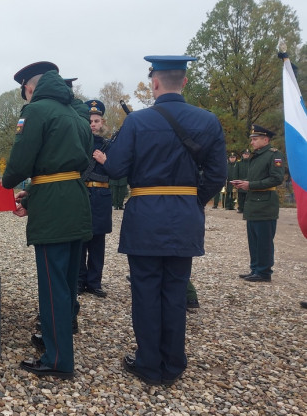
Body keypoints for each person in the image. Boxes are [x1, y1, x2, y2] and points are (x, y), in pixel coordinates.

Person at [102, 55, 226, 386]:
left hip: (145, 215)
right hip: (184, 215)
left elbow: (115, 170)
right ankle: (173, 362)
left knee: (145, 290)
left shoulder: (137, 122)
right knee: (174, 290)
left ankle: (148, 362)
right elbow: (217, 175)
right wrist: (192, 199)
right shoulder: (208, 121)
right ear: (183, 82)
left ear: (154, 83)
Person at [1, 61, 92, 380]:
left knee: (52, 287)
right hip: (75, 198)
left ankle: (57, 360)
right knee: (67, 282)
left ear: (29, 88)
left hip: (53, 207)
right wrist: (37, 192)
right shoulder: (76, 114)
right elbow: (77, 160)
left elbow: (21, 160)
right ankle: (60, 344)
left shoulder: (36, 111)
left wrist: (6, 186)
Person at [232, 124, 285, 282]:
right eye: (252, 139)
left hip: (265, 204)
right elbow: (256, 178)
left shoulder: (274, 155)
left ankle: (264, 272)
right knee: (254, 238)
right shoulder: (257, 156)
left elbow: (276, 178)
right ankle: (255, 268)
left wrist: (251, 185)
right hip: (254, 203)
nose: (252, 142)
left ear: (266, 139)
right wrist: (244, 182)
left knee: (264, 240)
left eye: (255, 139)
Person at [78, 100, 112, 298]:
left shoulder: (110, 145)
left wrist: (105, 161)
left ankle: (94, 282)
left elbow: (118, 172)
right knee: (81, 240)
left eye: (96, 120)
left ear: (102, 123)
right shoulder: (79, 142)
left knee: (98, 243)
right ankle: (79, 280)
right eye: (90, 120)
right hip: (82, 194)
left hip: (102, 196)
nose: (93, 124)